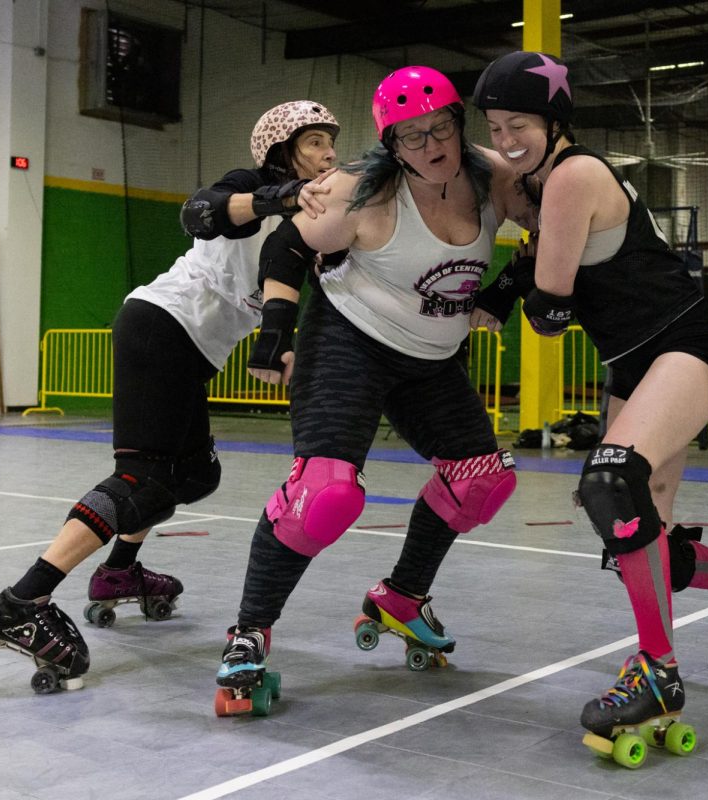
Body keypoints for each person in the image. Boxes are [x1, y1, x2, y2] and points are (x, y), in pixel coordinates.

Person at [470, 51, 708, 747]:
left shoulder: (572, 177)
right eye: (497, 125)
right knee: (640, 541)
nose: (507, 139)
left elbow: (553, 312)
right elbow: (532, 253)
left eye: (519, 124)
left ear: (555, 121)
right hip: (634, 366)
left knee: (612, 485)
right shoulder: (550, 177)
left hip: (683, 347)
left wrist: (506, 289)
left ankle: (657, 671)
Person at [0, 101, 340, 691]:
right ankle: (21, 601)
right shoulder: (254, 189)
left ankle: (117, 573)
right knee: (143, 479)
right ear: (281, 151)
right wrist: (280, 197)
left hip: (190, 351)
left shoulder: (316, 222)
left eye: (330, 143)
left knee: (192, 475)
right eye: (316, 142)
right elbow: (200, 213)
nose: (330, 154)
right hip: (161, 324)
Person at [214, 67, 540, 702]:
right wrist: (276, 329)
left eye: (441, 127)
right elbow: (287, 246)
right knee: (325, 496)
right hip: (349, 344)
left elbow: (557, 222)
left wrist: (505, 291)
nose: (431, 146)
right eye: (412, 136)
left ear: (458, 124)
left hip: (432, 360)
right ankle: (249, 632)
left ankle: (402, 597)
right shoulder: (362, 190)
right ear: (391, 143)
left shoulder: (493, 175)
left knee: (481, 480)